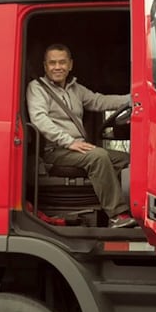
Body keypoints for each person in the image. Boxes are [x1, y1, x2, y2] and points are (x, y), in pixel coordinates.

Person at [26, 44, 136, 228]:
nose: (57, 67)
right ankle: (117, 215)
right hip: (55, 150)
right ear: (45, 66)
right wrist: (69, 142)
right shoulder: (37, 88)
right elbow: (39, 120)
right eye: (52, 63)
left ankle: (136, 210)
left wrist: (132, 98)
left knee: (128, 160)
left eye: (62, 62)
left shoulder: (75, 88)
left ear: (70, 65)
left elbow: (99, 101)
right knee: (98, 157)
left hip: (77, 148)